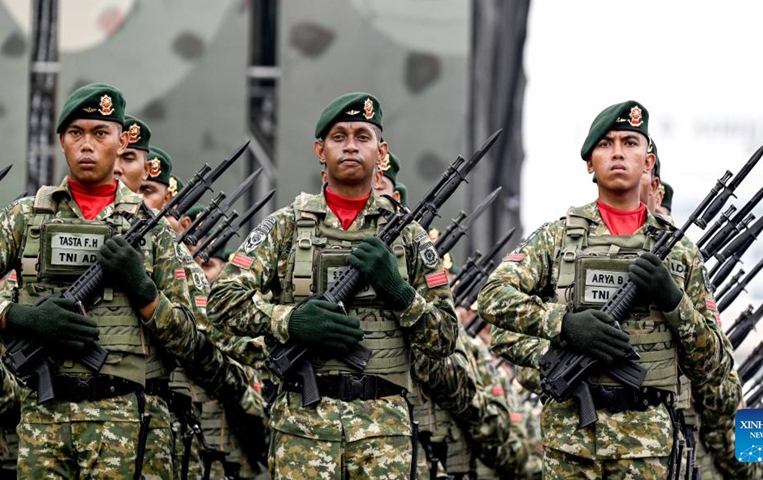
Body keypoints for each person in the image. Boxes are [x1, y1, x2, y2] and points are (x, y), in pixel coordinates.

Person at [208, 92, 458, 479]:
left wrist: (398, 291)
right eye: (339, 137)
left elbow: (445, 337)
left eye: (362, 136)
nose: (351, 146)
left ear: (382, 151)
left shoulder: (409, 237)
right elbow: (222, 303)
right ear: (320, 150)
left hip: (383, 431)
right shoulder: (286, 226)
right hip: (303, 428)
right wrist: (289, 320)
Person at [478, 100, 734, 477]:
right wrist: (563, 324)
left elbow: (715, 366)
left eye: (630, 143)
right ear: (589, 164)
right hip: (570, 440)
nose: (617, 152)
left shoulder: (680, 253)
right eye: (605, 144)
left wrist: (674, 301)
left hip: (645, 442)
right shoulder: (558, 238)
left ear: (648, 162)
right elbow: (493, 297)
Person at [0, 82, 202, 477]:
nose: (87, 145)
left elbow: (194, 340)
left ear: (121, 140)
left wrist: (144, 291)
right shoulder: (25, 218)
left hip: (126, 424)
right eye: (76, 133)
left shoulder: (153, 228)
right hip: (44, 422)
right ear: (61, 140)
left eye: (100, 133)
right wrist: (20, 317)